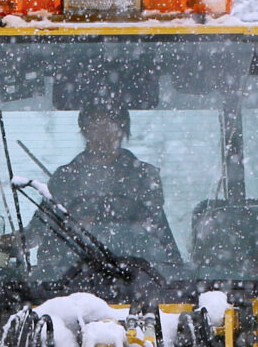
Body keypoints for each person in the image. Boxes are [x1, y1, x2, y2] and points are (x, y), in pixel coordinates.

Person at [41, 106, 180, 264]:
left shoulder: (144, 177)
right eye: (95, 125)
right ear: (84, 130)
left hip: (140, 276)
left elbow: (153, 231)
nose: (103, 134)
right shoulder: (64, 178)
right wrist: (11, 243)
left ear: (123, 129)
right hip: (71, 276)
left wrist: (95, 223)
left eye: (110, 125)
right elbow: (40, 231)